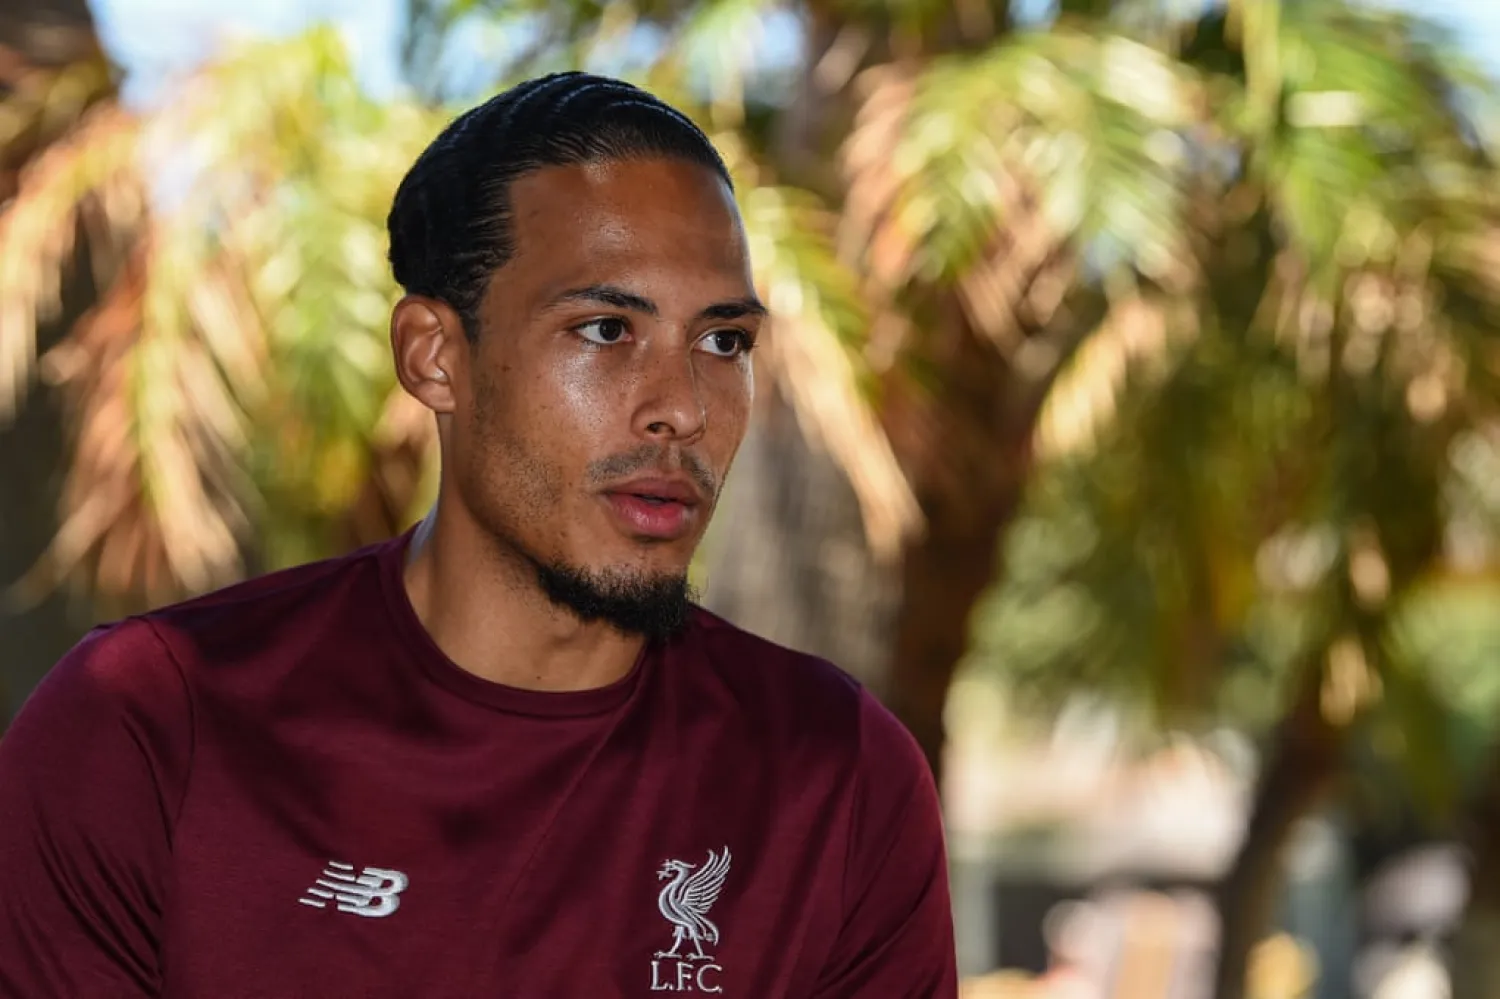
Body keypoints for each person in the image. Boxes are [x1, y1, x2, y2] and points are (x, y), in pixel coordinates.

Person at [0, 72, 956, 997]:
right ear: (434, 357)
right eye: (606, 329)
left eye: (723, 342)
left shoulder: (839, 778)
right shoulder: (150, 727)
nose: (681, 411)